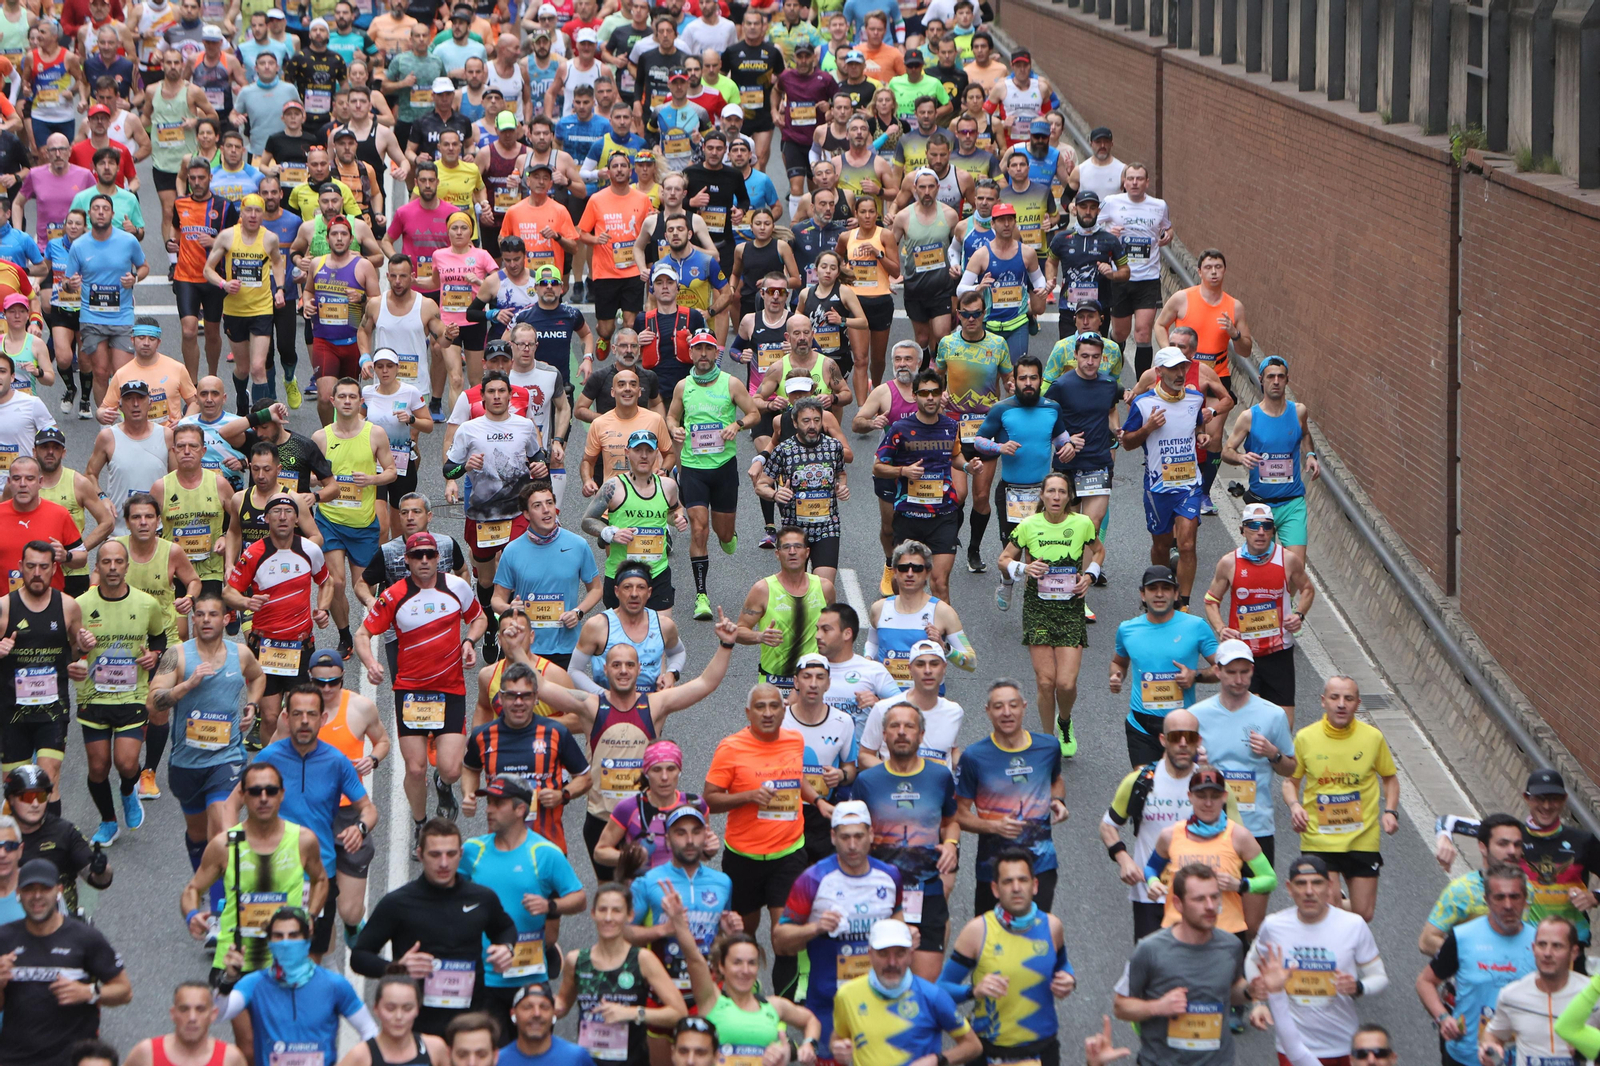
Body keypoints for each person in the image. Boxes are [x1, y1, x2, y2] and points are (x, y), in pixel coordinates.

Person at [151, 590, 266, 941]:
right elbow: (153, 701)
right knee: (199, 838)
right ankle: (205, 888)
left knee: (225, 834)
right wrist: (185, 686)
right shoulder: (177, 656)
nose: (205, 620)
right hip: (186, 763)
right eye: (199, 614)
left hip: (227, 761)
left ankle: (223, 914)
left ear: (225, 618)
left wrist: (253, 705)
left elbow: (258, 676)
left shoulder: (240, 654)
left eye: (213, 614)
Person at [356, 529, 487, 828]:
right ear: (407, 560)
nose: (424, 560)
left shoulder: (456, 587)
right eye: (417, 556)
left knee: (452, 769)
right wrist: (370, 662)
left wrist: (470, 641)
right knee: (415, 769)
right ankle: (420, 825)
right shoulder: (393, 596)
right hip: (411, 692)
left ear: (438, 558)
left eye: (430, 555)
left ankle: (443, 785)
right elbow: (362, 633)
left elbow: (478, 617)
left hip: (450, 689)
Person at [352, 818, 519, 1035]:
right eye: (435, 854)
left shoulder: (482, 898)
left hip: (469, 1021)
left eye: (450, 854)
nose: (443, 863)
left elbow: (506, 928)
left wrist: (507, 947)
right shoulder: (398, 903)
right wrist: (396, 968)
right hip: (417, 1025)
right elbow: (359, 956)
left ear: (460, 854)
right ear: (420, 854)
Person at [1433, 770, 1600, 961]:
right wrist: (1444, 839)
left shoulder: (1582, 841)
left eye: (1553, 799)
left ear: (1564, 800)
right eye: (1540, 798)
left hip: (1570, 948)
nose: (1546, 806)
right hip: (1523, 945)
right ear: (1527, 798)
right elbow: (1447, 821)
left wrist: (1595, 896)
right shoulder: (1513, 837)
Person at [1187, 639, 1297, 930]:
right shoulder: (1197, 715)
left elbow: (1291, 768)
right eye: (1232, 672)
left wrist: (1272, 753)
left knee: (1251, 925)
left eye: (1245, 672)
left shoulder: (1272, 715)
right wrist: (1197, 764)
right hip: (1210, 829)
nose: (1239, 680)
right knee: (1210, 919)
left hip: (1256, 827)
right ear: (1218, 672)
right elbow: (1177, 768)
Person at [180, 758, 328, 973]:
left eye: (271, 790)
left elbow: (321, 880)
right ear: (243, 795)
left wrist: (311, 916)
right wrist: (192, 915)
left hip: (286, 963)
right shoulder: (224, 845)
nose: (264, 798)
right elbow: (193, 888)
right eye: (256, 791)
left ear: (282, 794)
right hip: (233, 962)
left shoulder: (303, 840)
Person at [459, 774, 587, 1019]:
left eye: (498, 804)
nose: (489, 810)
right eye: (489, 803)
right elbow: (448, 893)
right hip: (481, 976)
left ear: (520, 809)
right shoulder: (473, 850)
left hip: (528, 978)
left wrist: (550, 905)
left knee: (532, 1054)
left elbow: (579, 899)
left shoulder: (545, 853)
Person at [445, 372, 550, 662]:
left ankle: (510, 633)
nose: (496, 396)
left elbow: (538, 458)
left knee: (512, 567)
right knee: (487, 578)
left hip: (515, 511)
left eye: (501, 391)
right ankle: (491, 626)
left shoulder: (525, 426)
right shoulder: (469, 429)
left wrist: (541, 468)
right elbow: (448, 470)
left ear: (509, 395)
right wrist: (465, 467)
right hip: (482, 514)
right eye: (490, 391)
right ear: (483, 396)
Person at [938, 847, 1076, 1066]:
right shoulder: (977, 931)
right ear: (995, 889)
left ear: (1035, 885)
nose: (1016, 888)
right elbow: (940, 989)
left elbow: (1063, 966)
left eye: (1023, 880)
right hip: (989, 1051)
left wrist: (1069, 979)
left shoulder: (1052, 926)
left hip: (1042, 1050)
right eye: (1007, 881)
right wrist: (973, 991)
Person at [994, 470, 1099, 752]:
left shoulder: (1082, 523)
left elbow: (1098, 551)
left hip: (1070, 607)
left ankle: (1064, 721)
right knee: (1045, 681)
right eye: (1051, 491)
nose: (1055, 497)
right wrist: (1024, 568)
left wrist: (1090, 576)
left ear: (1069, 497)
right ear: (1042, 495)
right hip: (1038, 606)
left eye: (1061, 492)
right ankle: (1048, 739)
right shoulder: (1028, 525)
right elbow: (1003, 559)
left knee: (1065, 683)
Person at [1246, 856, 1387, 1062]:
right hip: (1292, 1044)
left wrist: (1358, 987)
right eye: (1301, 884)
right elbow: (1252, 960)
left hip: (1343, 1043)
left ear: (1330, 887)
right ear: (1289, 888)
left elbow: (1380, 977)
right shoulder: (1274, 925)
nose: (1309, 891)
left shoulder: (1352, 925)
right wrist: (1257, 1001)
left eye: (1317, 883)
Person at [1284, 677, 1399, 923]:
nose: (1341, 704)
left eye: (1348, 699)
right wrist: (1295, 806)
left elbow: (1390, 778)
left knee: (1363, 914)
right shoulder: (1306, 738)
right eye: (1334, 698)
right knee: (1330, 909)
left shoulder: (1372, 738)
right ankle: (1333, 914)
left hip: (1362, 836)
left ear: (1358, 703)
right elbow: (1289, 782)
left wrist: (1390, 811)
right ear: (1323, 702)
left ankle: (1338, 899)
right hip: (1319, 838)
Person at [74, 539, 167, 845]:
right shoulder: (81, 605)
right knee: (99, 766)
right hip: (93, 696)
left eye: (118, 562)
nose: (112, 568)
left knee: (126, 763)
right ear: (96, 567)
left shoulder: (145, 604)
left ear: (127, 566)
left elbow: (159, 640)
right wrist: (79, 649)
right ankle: (108, 821)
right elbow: (68, 649)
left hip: (132, 695)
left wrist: (153, 657)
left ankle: (128, 791)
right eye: (106, 562)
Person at [296, 649, 387, 955]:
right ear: (310, 680)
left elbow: (383, 740)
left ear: (342, 679)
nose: (326, 689)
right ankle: (321, 961)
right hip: (311, 817)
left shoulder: (360, 708)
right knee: (319, 910)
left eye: (333, 682)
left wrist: (372, 759)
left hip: (350, 815)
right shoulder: (297, 713)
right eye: (320, 683)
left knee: (349, 911)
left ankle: (351, 926)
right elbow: (275, 752)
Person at [1112, 863, 1251, 1062]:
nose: (1211, 906)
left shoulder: (1231, 945)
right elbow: (1120, 1006)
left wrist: (1252, 990)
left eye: (1214, 896)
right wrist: (1158, 1007)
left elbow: (1230, 989)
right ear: (1178, 903)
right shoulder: (1149, 949)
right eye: (1199, 899)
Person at [222, 496, 333, 741]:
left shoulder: (309, 550)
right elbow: (228, 591)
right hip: (266, 646)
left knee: (299, 714)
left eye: (287, 512)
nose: (282, 517)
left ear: (296, 519)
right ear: (266, 518)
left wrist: (323, 609)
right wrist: (246, 602)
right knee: (270, 716)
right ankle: (272, 769)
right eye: (276, 512)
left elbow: (326, 582)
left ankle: (296, 767)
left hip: (300, 645)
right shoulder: (253, 553)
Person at [0, 858, 131, 1066]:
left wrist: (89, 993)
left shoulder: (85, 937)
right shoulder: (4, 938)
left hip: (72, 1059)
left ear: (59, 890)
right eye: (29, 889)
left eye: (45, 888)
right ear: (18, 893)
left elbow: (124, 991)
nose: (37, 896)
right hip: (15, 1058)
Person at [953, 678, 1067, 913]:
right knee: (992, 941)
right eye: (998, 706)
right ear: (988, 711)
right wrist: (995, 827)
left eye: (1013, 705)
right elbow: (959, 814)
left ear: (1024, 707)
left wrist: (1057, 801)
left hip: (1040, 863)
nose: (1007, 712)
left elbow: (1055, 780)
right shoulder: (974, 757)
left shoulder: (1048, 747)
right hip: (992, 866)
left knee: (1034, 934)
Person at [667, 331, 760, 617]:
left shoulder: (730, 383)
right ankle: (701, 596)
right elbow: (672, 415)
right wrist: (674, 428)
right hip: (693, 467)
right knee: (698, 528)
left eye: (709, 348)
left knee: (723, 534)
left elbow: (755, 412)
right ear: (691, 353)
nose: (703, 354)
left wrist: (739, 424)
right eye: (698, 349)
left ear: (714, 353)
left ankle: (728, 535)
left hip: (723, 467)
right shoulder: (683, 386)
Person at [214, 906, 380, 1064]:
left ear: (307, 939)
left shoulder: (334, 984)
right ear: (269, 942)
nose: (285, 943)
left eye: (293, 936)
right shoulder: (254, 983)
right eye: (278, 936)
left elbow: (369, 1030)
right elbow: (219, 1014)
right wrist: (229, 978)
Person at [459, 658, 591, 856]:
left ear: (536, 697)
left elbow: (585, 777)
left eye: (525, 696)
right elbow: (470, 768)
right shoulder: (483, 735)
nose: (519, 702)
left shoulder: (556, 733)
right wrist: (469, 794)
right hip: (501, 847)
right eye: (512, 696)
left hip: (548, 847)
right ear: (501, 698)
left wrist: (563, 795)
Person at [1153, 248, 1252, 513]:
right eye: (1208, 267)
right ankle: (1175, 480)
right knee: (1183, 433)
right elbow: (1160, 325)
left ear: (1225, 270)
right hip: (1183, 377)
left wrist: (1235, 333)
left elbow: (1246, 350)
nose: (1213, 272)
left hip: (1217, 377)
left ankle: (1204, 493)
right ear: (1199, 271)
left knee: (1215, 436)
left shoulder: (1234, 306)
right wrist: (1170, 355)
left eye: (1218, 267)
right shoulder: (1182, 299)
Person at [1417, 864, 1536, 1066]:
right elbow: (1425, 982)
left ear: (1525, 900)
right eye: (1499, 897)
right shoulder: (1463, 937)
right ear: (1487, 900)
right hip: (1466, 1056)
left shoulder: (1541, 942)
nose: (1508, 905)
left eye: (1515, 897)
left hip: (1522, 1058)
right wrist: (1443, 1018)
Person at [828, 918, 982, 1066]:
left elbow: (973, 1046)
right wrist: (838, 1048)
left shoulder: (932, 996)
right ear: (870, 955)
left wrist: (938, 1060)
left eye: (900, 953)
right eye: (883, 953)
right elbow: (838, 1037)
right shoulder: (847, 995)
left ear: (911, 955)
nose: (892, 963)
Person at [1203, 511, 1313, 717]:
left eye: (1266, 526)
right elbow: (1211, 600)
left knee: (1282, 721)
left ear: (1273, 531)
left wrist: (1299, 615)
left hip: (1278, 651)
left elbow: (1307, 588)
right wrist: (1221, 629)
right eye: (1253, 526)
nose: (1260, 532)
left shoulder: (1288, 560)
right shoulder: (1229, 563)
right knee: (1245, 719)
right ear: (1243, 530)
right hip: (1242, 653)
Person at [1110, 564, 1218, 767]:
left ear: (1176, 593)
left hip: (1182, 728)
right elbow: (1118, 662)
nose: (1159, 594)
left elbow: (1222, 669)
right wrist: (1117, 676)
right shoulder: (1127, 629)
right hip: (1141, 726)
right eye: (1152, 589)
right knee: (1145, 788)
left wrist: (1195, 676)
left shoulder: (1196, 626)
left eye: (1166, 588)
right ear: (1143, 594)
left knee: (1182, 790)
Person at [0, 537, 86, 794]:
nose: (37, 573)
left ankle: (50, 835)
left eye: (44, 567)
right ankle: (16, 835)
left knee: (48, 778)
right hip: (12, 710)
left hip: (52, 709)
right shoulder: (4, 607)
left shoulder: (68, 606)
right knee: (16, 786)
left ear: (54, 568)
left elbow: (76, 651)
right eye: (31, 566)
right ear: (20, 566)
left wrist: (82, 652)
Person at [489, 482, 604, 669]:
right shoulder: (512, 551)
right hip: (525, 645)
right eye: (537, 506)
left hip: (566, 647)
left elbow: (596, 589)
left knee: (563, 698)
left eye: (549, 503)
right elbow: (496, 599)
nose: (546, 510)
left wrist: (579, 611)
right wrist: (509, 608)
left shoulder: (578, 545)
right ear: (526, 514)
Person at [1222, 355, 1318, 562]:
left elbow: (1305, 434)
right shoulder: (1249, 417)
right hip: (1261, 506)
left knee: (1296, 565)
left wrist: (1310, 455)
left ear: (1287, 380)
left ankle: (1286, 597)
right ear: (1261, 379)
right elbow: (1226, 451)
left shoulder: (1299, 411)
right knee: (1262, 564)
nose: (1276, 381)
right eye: (1271, 377)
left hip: (1292, 503)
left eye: (1280, 377)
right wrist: (1240, 457)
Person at [63, 194, 149, 406]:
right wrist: (70, 284)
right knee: (100, 372)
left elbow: (144, 267)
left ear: (112, 213)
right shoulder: (79, 245)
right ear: (89, 214)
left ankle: (124, 422)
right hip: (92, 317)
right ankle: (105, 423)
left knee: (122, 375)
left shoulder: (128, 241)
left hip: (121, 316)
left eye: (105, 208)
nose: (100, 212)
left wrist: (135, 278)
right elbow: (66, 281)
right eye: (96, 208)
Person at [866, 537, 974, 688]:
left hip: (926, 706)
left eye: (917, 568)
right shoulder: (879, 609)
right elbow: (872, 643)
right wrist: (868, 658)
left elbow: (971, 662)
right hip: (887, 702)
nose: (910, 574)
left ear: (927, 572)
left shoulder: (943, 612)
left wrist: (944, 647)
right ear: (895, 572)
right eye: (904, 568)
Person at [1100, 161, 1171, 376]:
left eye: (1139, 179)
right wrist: (1109, 234)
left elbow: (1167, 228)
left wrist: (1169, 235)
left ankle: (1142, 384)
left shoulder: (1159, 205)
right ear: (1124, 181)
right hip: (1120, 276)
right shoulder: (1111, 202)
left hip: (1148, 278)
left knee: (1142, 333)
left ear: (1147, 182)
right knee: (1120, 333)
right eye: (1130, 178)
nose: (1134, 182)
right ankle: (1112, 374)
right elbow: (1093, 227)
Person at [7, 767, 113, 910]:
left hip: (61, 923)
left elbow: (99, 879)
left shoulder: (65, 832)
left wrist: (101, 870)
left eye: (41, 796)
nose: (35, 804)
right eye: (27, 797)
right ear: (11, 799)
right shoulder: (3, 833)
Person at [1420, 812, 1526, 956]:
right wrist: (1473, 959)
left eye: (1517, 845)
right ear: (1483, 847)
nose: (1512, 851)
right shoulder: (1461, 890)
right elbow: (1427, 941)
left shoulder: (1528, 889)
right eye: (1503, 844)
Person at [955, 202, 1046, 368]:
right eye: (1001, 220)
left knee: (1017, 371)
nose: (1006, 224)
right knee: (990, 374)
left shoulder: (1027, 253)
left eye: (1010, 219)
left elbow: (1038, 279)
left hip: (1018, 322)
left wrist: (1042, 290)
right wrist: (978, 287)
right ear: (992, 223)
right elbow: (960, 289)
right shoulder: (981, 255)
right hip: (990, 323)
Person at [122, 982, 249, 1066]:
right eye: (184, 1009)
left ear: (213, 1014)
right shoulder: (145, 1054)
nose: (192, 1017)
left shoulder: (231, 1058)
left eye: (200, 1009)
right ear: (173, 1013)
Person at [334, 976, 451, 1066]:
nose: (399, 1016)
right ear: (376, 1008)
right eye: (390, 1008)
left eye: (407, 1008)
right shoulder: (360, 1055)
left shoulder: (434, 1048)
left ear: (417, 1010)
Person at [496, 980, 591, 1066]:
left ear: (554, 1013)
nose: (536, 1014)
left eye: (544, 1007)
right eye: (528, 1007)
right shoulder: (497, 1061)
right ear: (513, 1013)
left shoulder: (576, 1058)